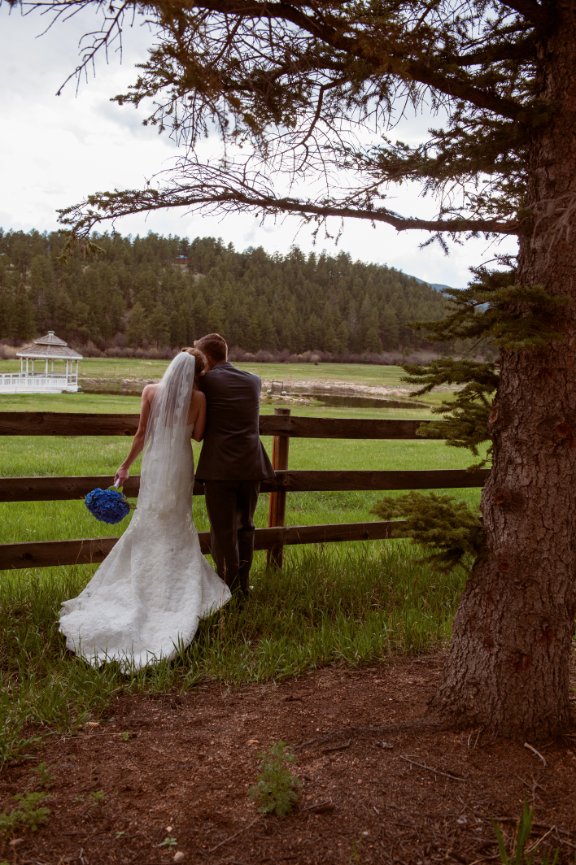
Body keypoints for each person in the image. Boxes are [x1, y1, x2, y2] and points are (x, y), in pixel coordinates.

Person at [59, 348, 231, 670]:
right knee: (177, 519)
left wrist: (125, 466)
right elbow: (198, 435)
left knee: (150, 517)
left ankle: (144, 577)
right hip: (180, 464)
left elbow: (141, 434)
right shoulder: (199, 399)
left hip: (155, 462)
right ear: (196, 373)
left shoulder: (151, 391)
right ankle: (171, 582)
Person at [194, 333, 274, 597]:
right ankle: (243, 586)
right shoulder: (253, 380)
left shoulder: (205, 381)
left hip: (220, 467)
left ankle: (228, 590)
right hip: (251, 465)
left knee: (223, 532)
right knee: (246, 527)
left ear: (205, 357)